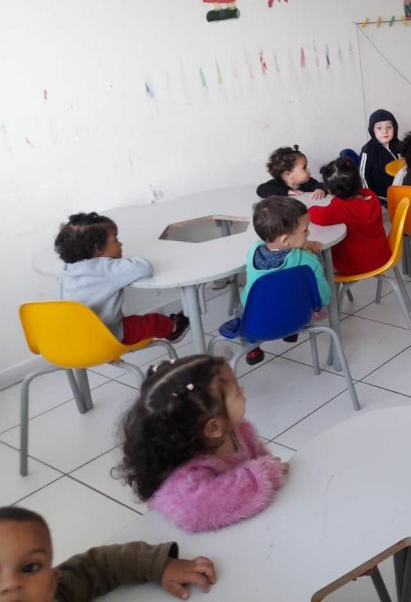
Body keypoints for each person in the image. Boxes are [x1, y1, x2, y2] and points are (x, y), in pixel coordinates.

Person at [118, 355, 288, 533]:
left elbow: (258, 456)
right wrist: (266, 472)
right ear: (213, 427)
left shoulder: (237, 430)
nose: (243, 390)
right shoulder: (184, 477)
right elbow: (202, 510)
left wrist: (270, 466)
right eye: (236, 392)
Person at [0, 506, 216, 601]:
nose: (10, 584)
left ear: (52, 580)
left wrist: (158, 564)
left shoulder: (61, 592)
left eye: (29, 568)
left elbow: (101, 565)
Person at [55, 212, 189, 345]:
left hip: (75, 337)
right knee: (152, 321)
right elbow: (145, 268)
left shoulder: (67, 270)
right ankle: (174, 328)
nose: (121, 244)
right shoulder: (106, 269)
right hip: (108, 335)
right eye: (115, 239)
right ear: (98, 248)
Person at [240, 196, 331, 365]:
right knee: (307, 301)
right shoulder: (308, 261)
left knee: (242, 308)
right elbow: (324, 298)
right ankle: (291, 331)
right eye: (305, 230)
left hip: (258, 323)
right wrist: (306, 248)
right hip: (299, 318)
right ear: (285, 240)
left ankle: (251, 348)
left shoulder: (253, 251)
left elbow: (275, 245)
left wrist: (301, 243)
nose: (309, 233)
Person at [309, 158, 390, 276]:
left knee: (319, 261)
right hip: (382, 256)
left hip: (355, 266)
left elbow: (314, 214)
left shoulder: (339, 207)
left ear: (331, 191)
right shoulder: (370, 195)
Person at [359, 108, 402, 200]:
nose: (385, 131)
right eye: (379, 128)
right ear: (372, 130)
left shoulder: (398, 144)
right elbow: (363, 176)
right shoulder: (368, 150)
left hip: (399, 189)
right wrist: (370, 197)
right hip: (382, 196)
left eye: (389, 127)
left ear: (394, 128)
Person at [256, 146, 327, 199]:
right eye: (304, 168)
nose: (308, 170)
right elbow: (260, 190)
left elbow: (323, 185)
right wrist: (287, 192)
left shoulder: (308, 182)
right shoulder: (277, 184)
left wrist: (320, 190)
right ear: (288, 174)